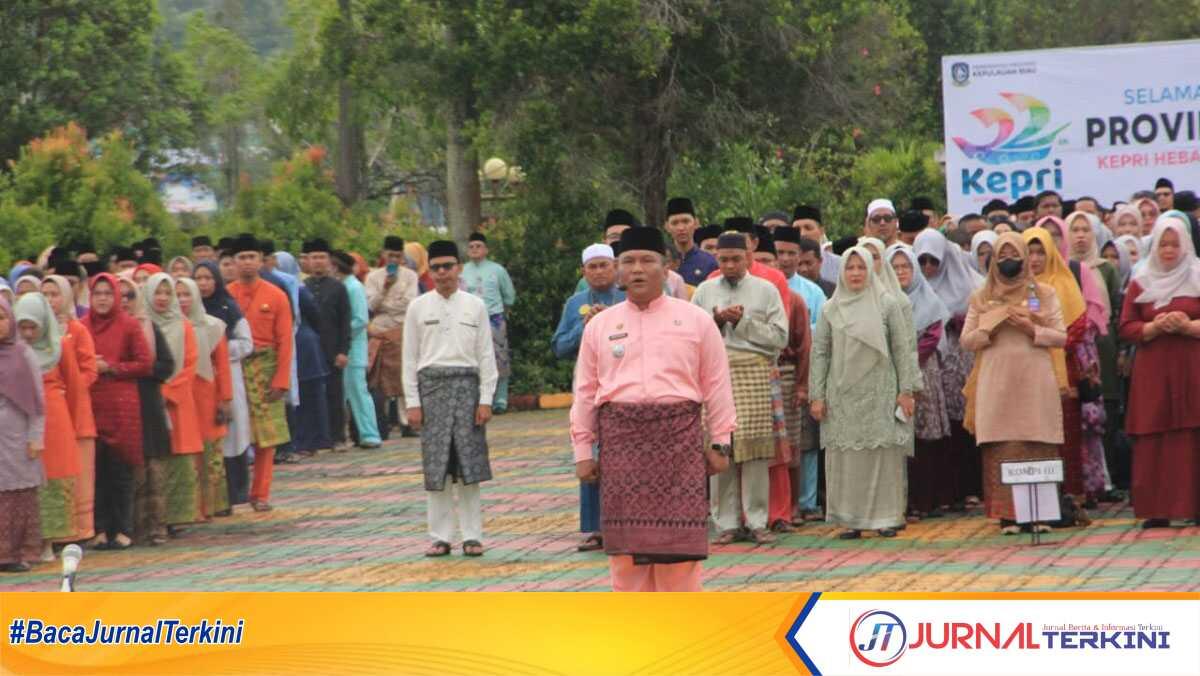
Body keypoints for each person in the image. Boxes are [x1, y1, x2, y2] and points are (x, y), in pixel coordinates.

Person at [570, 227, 734, 591]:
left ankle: (680, 623)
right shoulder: (600, 326)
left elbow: (717, 384)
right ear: (618, 270)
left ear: (667, 267)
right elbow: (585, 392)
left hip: (679, 446)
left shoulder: (695, 320)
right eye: (628, 261)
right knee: (625, 562)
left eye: (647, 260)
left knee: (680, 559)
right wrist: (582, 450)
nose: (637, 269)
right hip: (621, 448)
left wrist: (721, 442)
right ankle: (635, 626)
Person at [810, 247, 921, 539]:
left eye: (861, 267)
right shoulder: (830, 308)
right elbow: (820, 353)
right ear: (841, 272)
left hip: (881, 392)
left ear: (871, 270)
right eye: (850, 267)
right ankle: (851, 520)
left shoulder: (887, 304)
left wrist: (906, 390)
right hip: (841, 396)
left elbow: (902, 349)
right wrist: (816, 395)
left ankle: (887, 518)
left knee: (882, 456)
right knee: (847, 458)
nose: (856, 273)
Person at [961, 233, 1066, 534]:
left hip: (1035, 380)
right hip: (997, 382)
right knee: (1003, 444)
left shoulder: (1043, 294)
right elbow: (967, 340)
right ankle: (1008, 516)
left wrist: (1031, 328)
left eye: (1014, 255)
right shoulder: (981, 297)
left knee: (1037, 441)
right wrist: (988, 330)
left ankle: (1040, 513)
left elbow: (1061, 336)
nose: (1009, 261)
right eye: (1002, 256)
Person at [404, 240, 498, 558]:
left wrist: (485, 399)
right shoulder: (418, 307)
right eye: (436, 268)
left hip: (468, 390)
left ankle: (472, 536)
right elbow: (409, 359)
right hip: (431, 390)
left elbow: (486, 355)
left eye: (448, 266)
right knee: (437, 467)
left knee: (469, 466)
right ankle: (440, 537)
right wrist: (412, 402)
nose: (442, 273)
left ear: (458, 268)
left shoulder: (476, 305)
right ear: (429, 271)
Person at [693, 233, 788, 545]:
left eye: (736, 258)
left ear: (749, 257)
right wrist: (717, 321)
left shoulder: (766, 290)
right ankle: (726, 524)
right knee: (721, 447)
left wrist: (742, 322)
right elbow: (691, 336)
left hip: (755, 373)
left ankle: (757, 521)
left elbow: (780, 338)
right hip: (715, 376)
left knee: (756, 452)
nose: (730, 265)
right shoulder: (705, 291)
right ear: (717, 260)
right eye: (724, 260)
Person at [1119, 212, 1200, 528]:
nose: (1168, 251)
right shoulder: (1141, 280)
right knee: (1154, 432)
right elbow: (1126, 326)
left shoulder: (1197, 275)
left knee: (1193, 431)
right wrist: (1154, 327)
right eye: (1163, 244)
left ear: (1186, 245)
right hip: (1153, 371)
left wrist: (1188, 326)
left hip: (1192, 367)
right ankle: (1157, 509)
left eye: (1174, 244)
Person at [1024, 224, 1105, 507]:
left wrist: (1045, 339)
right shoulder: (1017, 287)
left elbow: (1078, 324)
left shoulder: (1064, 282)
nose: (1035, 259)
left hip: (1063, 368)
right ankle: (1040, 500)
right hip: (1027, 370)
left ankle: (1072, 498)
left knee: (1066, 433)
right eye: (1029, 252)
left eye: (1040, 252)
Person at [551, 244, 625, 551]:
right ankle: (595, 527)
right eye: (592, 267)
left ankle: (627, 523)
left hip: (623, 384)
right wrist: (585, 327)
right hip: (589, 386)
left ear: (615, 267)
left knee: (624, 455)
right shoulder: (575, 303)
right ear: (583, 272)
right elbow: (559, 347)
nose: (598, 271)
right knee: (589, 452)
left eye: (604, 265)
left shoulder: (627, 300)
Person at [913, 229, 985, 509]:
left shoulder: (969, 285)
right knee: (936, 430)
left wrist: (960, 321)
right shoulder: (914, 287)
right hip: (930, 369)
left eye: (934, 261)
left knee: (962, 425)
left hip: (959, 361)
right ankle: (944, 493)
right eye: (922, 261)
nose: (928, 267)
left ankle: (969, 488)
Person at [226, 235, 294, 512]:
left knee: (267, 436)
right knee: (233, 431)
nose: (247, 262)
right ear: (233, 262)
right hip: (234, 368)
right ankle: (233, 493)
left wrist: (281, 379)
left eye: (251, 257)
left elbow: (286, 341)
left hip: (266, 368)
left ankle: (261, 493)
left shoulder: (277, 295)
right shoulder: (226, 294)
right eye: (241, 257)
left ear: (261, 260)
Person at [887, 245, 954, 519]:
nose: (901, 272)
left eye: (906, 266)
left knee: (924, 438)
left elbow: (932, 336)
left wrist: (908, 360)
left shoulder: (929, 300)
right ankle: (902, 502)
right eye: (895, 267)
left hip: (923, 375)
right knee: (899, 439)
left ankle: (927, 501)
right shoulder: (883, 302)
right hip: (891, 376)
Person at [15, 293, 82, 559]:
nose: (29, 334)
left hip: (56, 420)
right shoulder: (12, 351)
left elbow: (75, 387)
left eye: (34, 327)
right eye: (23, 327)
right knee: (25, 479)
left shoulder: (59, 347)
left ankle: (50, 541)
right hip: (21, 421)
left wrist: (73, 423)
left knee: (54, 479)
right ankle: (27, 541)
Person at [1067, 210, 1125, 492]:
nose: (1080, 236)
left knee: (1103, 412)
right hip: (1070, 349)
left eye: (1085, 230)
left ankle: (1106, 478)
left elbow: (1117, 310)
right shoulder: (1061, 269)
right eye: (1074, 229)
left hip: (1102, 346)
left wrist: (1121, 350)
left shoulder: (1106, 269)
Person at [144, 273, 205, 531]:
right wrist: (153, 392)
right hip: (149, 401)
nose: (162, 298)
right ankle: (157, 518)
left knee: (180, 458)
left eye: (167, 293)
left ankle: (178, 517)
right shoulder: (142, 326)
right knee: (158, 458)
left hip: (178, 403)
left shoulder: (184, 326)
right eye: (157, 292)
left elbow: (190, 364)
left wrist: (167, 392)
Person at [41, 275, 99, 544]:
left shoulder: (76, 330)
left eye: (55, 294)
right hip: (51, 413)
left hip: (75, 408)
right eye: (45, 294)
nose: (50, 300)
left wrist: (67, 387)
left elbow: (88, 370)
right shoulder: (36, 334)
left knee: (80, 470)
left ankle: (81, 529)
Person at [194, 262, 254, 505]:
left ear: (217, 280)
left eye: (208, 278)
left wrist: (217, 349)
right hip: (200, 382)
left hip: (229, 375)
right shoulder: (189, 310)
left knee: (233, 434)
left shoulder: (229, 307)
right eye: (198, 278)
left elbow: (246, 343)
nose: (203, 283)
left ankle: (237, 491)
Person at [176, 278, 232, 518]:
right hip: (181, 396)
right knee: (189, 454)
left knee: (211, 453)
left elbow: (223, 365)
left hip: (208, 395)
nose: (182, 300)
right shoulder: (169, 327)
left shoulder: (213, 326)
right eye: (177, 295)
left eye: (186, 294)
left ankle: (213, 505)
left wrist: (225, 399)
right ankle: (193, 508)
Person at [0, 293, 46, 572]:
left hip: (18, 435)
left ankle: (15, 554)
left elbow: (38, 400)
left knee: (19, 495)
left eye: (2, 317)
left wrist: (35, 437)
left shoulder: (23, 353)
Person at [366, 236, 420, 440]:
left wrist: (384, 305)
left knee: (404, 377)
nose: (394, 260)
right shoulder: (373, 277)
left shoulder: (410, 276)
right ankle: (383, 425)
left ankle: (407, 423)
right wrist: (386, 289)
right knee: (379, 380)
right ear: (383, 254)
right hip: (379, 333)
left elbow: (410, 303)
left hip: (402, 331)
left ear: (402, 256)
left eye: (398, 256)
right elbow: (370, 305)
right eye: (390, 255)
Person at [303, 239, 352, 450]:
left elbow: (345, 322)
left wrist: (343, 351)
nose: (318, 261)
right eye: (314, 257)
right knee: (311, 395)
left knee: (334, 394)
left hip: (332, 349)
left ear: (329, 260)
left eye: (322, 257)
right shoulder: (303, 287)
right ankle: (315, 439)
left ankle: (338, 437)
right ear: (307, 260)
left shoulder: (338, 288)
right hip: (310, 351)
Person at [460, 233, 516, 414]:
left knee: (500, 357)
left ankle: (500, 399)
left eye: (478, 246)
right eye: (471, 246)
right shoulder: (462, 271)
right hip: (468, 320)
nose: (475, 249)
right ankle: (479, 398)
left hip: (494, 319)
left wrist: (499, 314)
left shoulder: (497, 270)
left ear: (486, 249)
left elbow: (509, 296)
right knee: (472, 358)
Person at [333, 250, 380, 448]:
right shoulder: (342, 286)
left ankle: (370, 434)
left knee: (358, 393)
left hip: (353, 348)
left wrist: (339, 333)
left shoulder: (354, 287)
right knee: (343, 394)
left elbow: (361, 319)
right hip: (342, 348)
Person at [774, 228, 825, 328]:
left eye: (791, 253)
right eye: (780, 252)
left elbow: (822, 326)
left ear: (799, 256)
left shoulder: (814, 292)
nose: (785, 259)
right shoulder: (760, 286)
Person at [664, 197, 718, 286]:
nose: (681, 228)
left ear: (696, 223)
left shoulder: (710, 263)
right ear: (667, 226)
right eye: (675, 223)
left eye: (686, 221)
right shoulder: (661, 262)